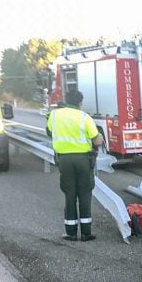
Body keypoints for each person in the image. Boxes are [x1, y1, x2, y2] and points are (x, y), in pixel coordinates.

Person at [46, 89, 104, 242]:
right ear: (80, 102)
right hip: (83, 160)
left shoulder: (54, 115)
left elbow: (49, 132)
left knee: (69, 195)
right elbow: (96, 140)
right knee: (84, 195)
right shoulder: (84, 117)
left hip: (64, 160)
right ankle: (86, 233)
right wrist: (101, 137)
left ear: (66, 100)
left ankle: (70, 233)